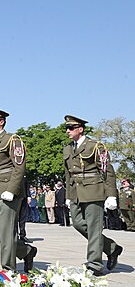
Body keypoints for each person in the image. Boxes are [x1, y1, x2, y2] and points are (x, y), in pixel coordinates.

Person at [62, 115, 123, 276]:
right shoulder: (68, 148)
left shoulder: (96, 146)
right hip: (76, 192)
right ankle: (111, 247)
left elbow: (107, 171)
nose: (67, 131)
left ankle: (95, 264)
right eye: (66, 128)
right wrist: (68, 195)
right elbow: (68, 174)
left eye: (71, 128)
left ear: (80, 129)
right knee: (78, 224)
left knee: (94, 228)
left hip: (94, 190)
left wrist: (111, 195)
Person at [0, 108, 36, 272]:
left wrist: (12, 189)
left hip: (8, 189)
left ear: (2, 121)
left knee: (6, 230)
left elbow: (19, 166)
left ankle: (8, 269)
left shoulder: (12, 140)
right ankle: (25, 251)